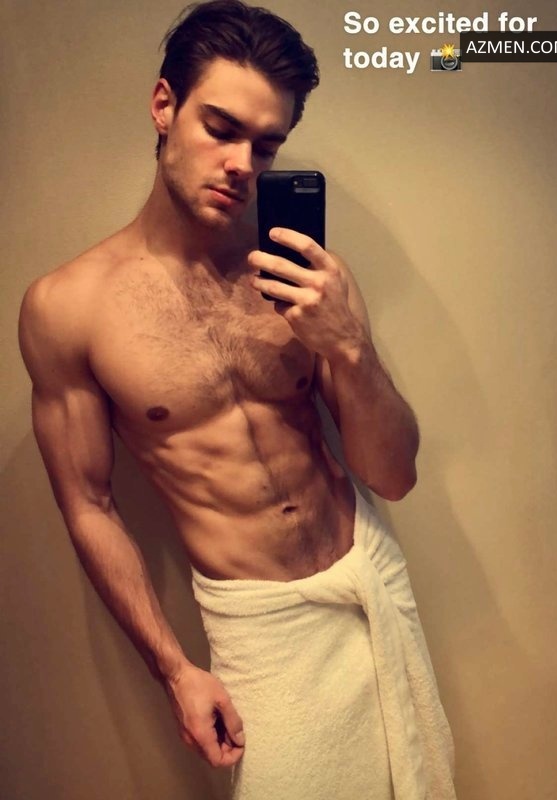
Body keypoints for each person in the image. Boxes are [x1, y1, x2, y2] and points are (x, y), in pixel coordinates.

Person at [19, 1, 456, 797]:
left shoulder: (305, 275)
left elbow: (393, 477)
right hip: (259, 625)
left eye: (266, 144)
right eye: (220, 129)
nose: (241, 164)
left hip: (367, 577)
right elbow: (88, 505)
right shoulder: (67, 308)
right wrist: (174, 670)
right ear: (164, 105)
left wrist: (347, 344)